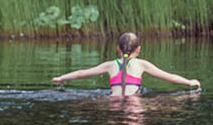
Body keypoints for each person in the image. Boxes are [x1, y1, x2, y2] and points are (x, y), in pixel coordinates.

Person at [52, 32, 201, 96]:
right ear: (139, 49)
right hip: (134, 104)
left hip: (113, 102)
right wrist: (189, 82)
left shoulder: (110, 65)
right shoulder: (142, 64)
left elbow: (81, 73)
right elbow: (170, 78)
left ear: (118, 49)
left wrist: (62, 77)